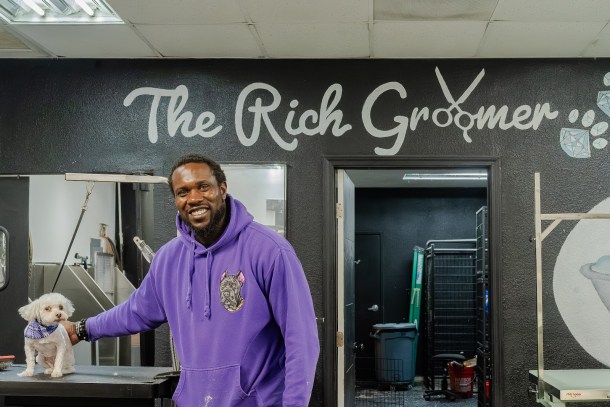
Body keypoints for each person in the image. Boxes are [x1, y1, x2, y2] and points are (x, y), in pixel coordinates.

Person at [64, 154, 320, 406]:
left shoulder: (269, 250)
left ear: (222, 189)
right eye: (182, 192)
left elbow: (301, 340)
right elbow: (135, 312)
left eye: (203, 187)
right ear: (176, 200)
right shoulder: (168, 259)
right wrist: (81, 329)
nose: (194, 198)